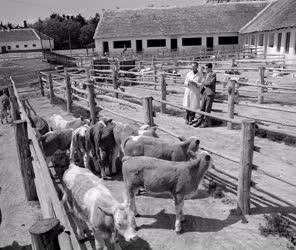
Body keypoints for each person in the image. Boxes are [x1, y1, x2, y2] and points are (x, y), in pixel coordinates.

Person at [193, 63, 216, 128]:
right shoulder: (206, 74)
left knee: (207, 109)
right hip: (205, 93)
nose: (205, 69)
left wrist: (203, 82)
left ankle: (206, 122)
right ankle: (199, 121)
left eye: (206, 68)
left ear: (210, 68)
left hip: (209, 93)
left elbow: (210, 83)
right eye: (205, 68)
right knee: (202, 107)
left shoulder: (213, 74)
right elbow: (203, 80)